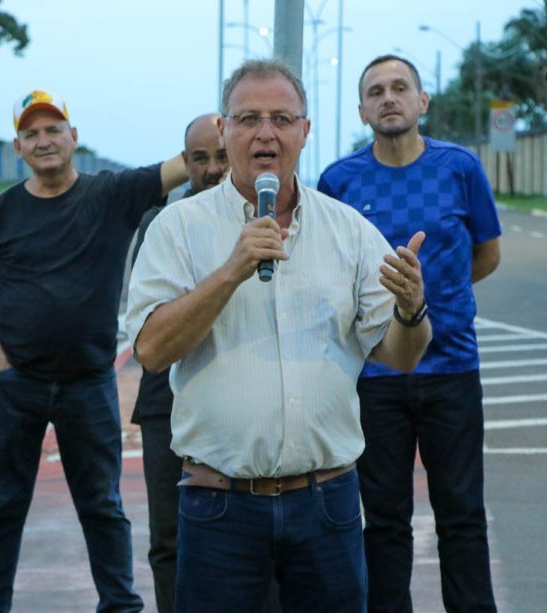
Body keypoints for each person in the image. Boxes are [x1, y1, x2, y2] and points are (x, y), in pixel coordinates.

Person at [127, 59, 432, 612]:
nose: (265, 132)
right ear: (224, 131)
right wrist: (231, 270)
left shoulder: (349, 230)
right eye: (248, 118)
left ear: (304, 132)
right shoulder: (179, 228)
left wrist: (413, 311)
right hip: (219, 506)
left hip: (328, 504)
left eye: (281, 119)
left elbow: (399, 355)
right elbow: (150, 350)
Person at [0, 89, 187, 612]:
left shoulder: (111, 195)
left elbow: (184, 162)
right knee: (0, 506)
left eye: (52, 129)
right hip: (15, 383)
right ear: (18, 148)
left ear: (74, 137)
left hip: (88, 383)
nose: (43, 140)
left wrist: (240, 127)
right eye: (31, 133)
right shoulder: (2, 211)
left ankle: (119, 605)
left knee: (103, 507)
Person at [318, 54, 501, 612]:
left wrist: (432, 298)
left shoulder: (459, 168)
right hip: (374, 377)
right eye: (376, 91)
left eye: (401, 88)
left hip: (451, 371)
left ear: (423, 102)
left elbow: (486, 254)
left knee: (462, 515)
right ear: (362, 109)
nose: (388, 97)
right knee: (384, 519)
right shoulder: (340, 180)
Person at [129, 112, 228, 613]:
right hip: (163, 402)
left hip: (233, 398)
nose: (211, 168)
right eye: (199, 158)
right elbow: (146, 321)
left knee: (242, 536)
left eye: (221, 156)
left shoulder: (263, 220)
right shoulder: (159, 224)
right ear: (183, 162)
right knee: (168, 537)